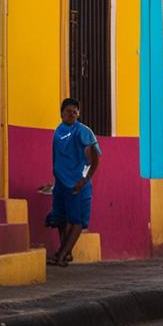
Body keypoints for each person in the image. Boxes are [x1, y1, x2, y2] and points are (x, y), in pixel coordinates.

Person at [47, 97, 101, 267]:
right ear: (61, 113)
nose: (71, 114)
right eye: (68, 111)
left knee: (76, 220)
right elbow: (55, 156)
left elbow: (95, 158)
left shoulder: (84, 131)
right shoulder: (58, 131)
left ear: (78, 114)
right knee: (60, 218)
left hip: (77, 184)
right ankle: (65, 252)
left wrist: (84, 180)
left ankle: (61, 254)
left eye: (74, 111)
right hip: (61, 183)